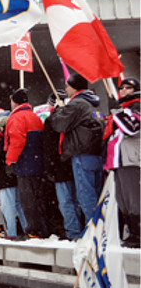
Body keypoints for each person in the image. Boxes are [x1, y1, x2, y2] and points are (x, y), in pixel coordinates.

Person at [50, 73, 104, 226]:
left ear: (74, 87)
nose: (66, 88)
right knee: (96, 193)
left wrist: (58, 110)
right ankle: (99, 227)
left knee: (85, 195)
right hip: (97, 154)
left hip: (82, 154)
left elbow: (59, 124)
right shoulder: (94, 104)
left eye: (67, 85)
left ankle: (92, 230)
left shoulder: (78, 104)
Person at [5, 88, 47, 238]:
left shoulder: (17, 118)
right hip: (37, 163)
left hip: (25, 164)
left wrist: (10, 160)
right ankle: (41, 228)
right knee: (37, 197)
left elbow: (16, 141)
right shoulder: (34, 116)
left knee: (27, 199)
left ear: (15, 102)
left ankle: (34, 231)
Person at [106, 77, 140, 248]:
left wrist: (118, 114)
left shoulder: (137, 107)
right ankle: (132, 232)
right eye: (121, 87)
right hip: (120, 161)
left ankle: (138, 234)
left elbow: (132, 128)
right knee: (124, 200)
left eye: (128, 88)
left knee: (134, 199)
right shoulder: (126, 108)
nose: (123, 90)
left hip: (132, 160)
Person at [44, 91, 81, 240]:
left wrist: (48, 168)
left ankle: (73, 232)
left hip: (59, 166)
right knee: (78, 200)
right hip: (75, 162)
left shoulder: (53, 120)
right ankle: (82, 228)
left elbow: (48, 147)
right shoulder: (74, 116)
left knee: (66, 201)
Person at [0, 116, 27, 239]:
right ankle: (27, 229)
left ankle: (11, 232)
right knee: (19, 204)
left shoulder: (3, 139)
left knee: (8, 206)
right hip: (14, 175)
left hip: (4, 176)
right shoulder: (15, 135)